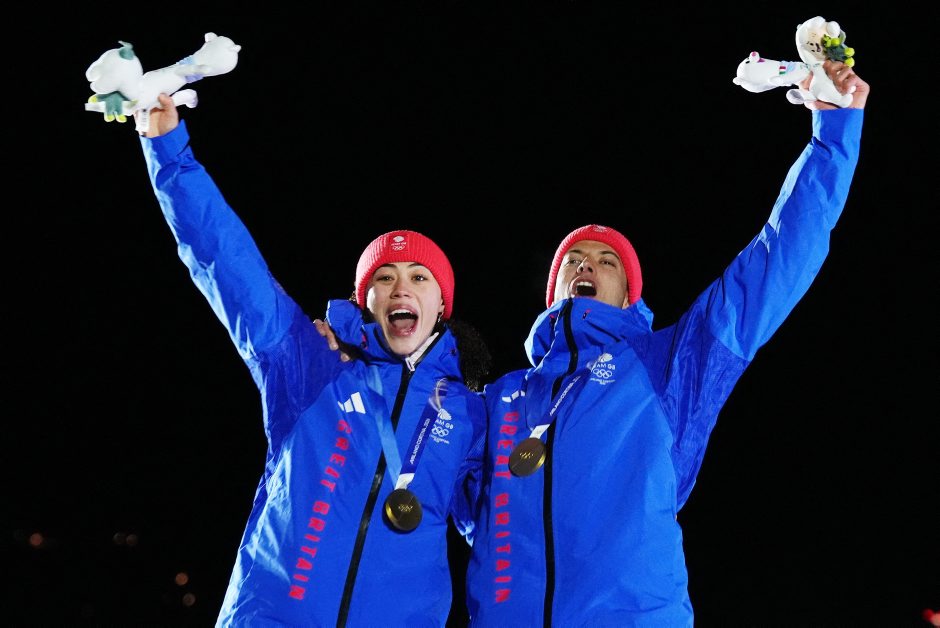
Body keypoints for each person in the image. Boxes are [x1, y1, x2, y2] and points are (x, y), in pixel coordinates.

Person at [458, 60, 870, 626]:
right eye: (573, 260)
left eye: (606, 262)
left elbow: (774, 263)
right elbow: (434, 487)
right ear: (553, 290)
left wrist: (833, 138)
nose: (586, 265)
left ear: (629, 296)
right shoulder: (500, 399)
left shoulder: (667, 365)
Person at [133, 94, 490, 627]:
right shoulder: (309, 366)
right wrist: (167, 147)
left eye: (420, 277)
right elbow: (225, 261)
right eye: (385, 277)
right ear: (365, 300)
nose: (401, 288)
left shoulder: (470, 414)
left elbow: (515, 524)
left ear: (441, 305)